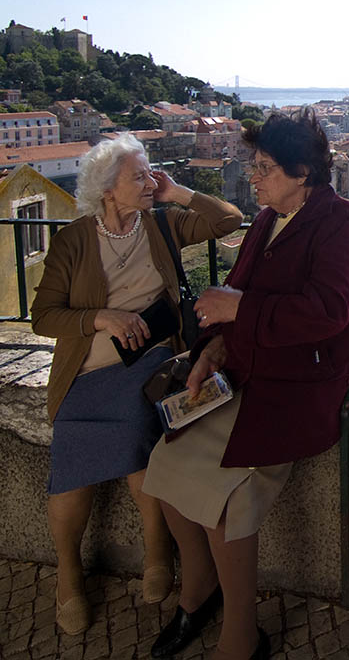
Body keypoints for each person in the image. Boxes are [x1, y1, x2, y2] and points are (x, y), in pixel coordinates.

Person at [143, 108, 349, 660]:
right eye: (255, 164)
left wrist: (240, 307)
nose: (255, 176)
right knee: (163, 469)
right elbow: (235, 309)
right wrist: (211, 351)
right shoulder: (271, 219)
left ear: (302, 172)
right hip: (245, 371)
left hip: (298, 382)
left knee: (226, 499)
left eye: (266, 167)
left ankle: (241, 638)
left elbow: (329, 311)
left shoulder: (339, 220)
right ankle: (200, 590)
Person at [30, 133, 244, 635]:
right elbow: (44, 316)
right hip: (85, 374)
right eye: (139, 177)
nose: (148, 182)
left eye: (150, 174)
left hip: (150, 363)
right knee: (69, 469)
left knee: (134, 432)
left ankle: (155, 552)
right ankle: (69, 574)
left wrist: (178, 193)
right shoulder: (73, 241)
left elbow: (227, 219)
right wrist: (100, 318)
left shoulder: (161, 223)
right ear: (108, 189)